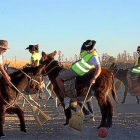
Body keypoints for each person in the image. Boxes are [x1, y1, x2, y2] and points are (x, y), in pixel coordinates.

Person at [56, 40, 101, 109]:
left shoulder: (94, 57)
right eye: (86, 49)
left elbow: (99, 68)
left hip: (76, 71)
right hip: (75, 69)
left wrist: (94, 78)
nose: (87, 51)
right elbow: (82, 52)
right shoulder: (86, 52)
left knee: (58, 79)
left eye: (89, 49)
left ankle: (66, 97)